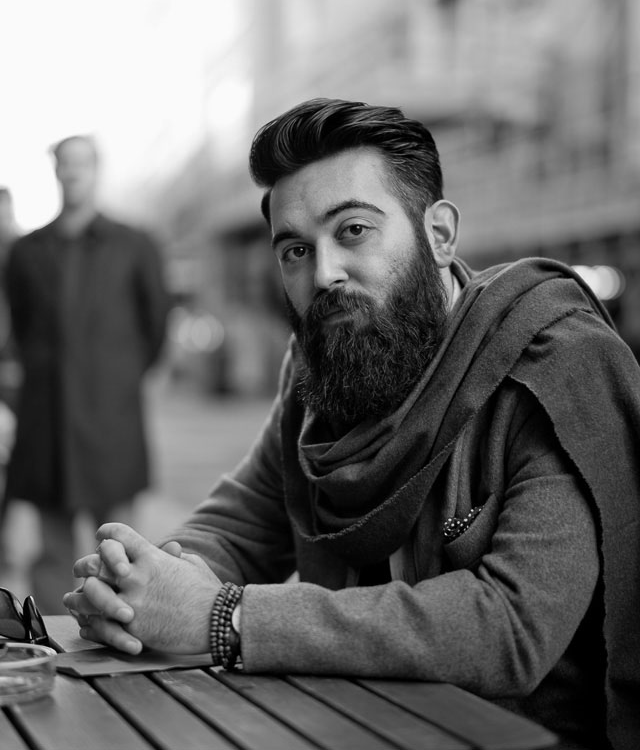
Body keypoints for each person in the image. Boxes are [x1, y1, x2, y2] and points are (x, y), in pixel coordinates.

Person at [65, 100, 640, 750]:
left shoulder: (554, 359)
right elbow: (245, 519)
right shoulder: (322, 364)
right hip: (344, 725)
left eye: (355, 231)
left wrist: (224, 617)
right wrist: (144, 585)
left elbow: (511, 627)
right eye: (295, 250)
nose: (325, 273)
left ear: (440, 234)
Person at [5, 135, 169, 613]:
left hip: (110, 416)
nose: (73, 172)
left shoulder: (135, 244)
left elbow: (155, 325)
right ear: (55, 171)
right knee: (52, 545)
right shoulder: (26, 252)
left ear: (97, 171)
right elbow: (22, 323)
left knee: (120, 547)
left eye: (82, 164)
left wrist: (118, 378)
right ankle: (55, 639)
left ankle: (123, 629)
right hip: (47, 416)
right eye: (64, 164)